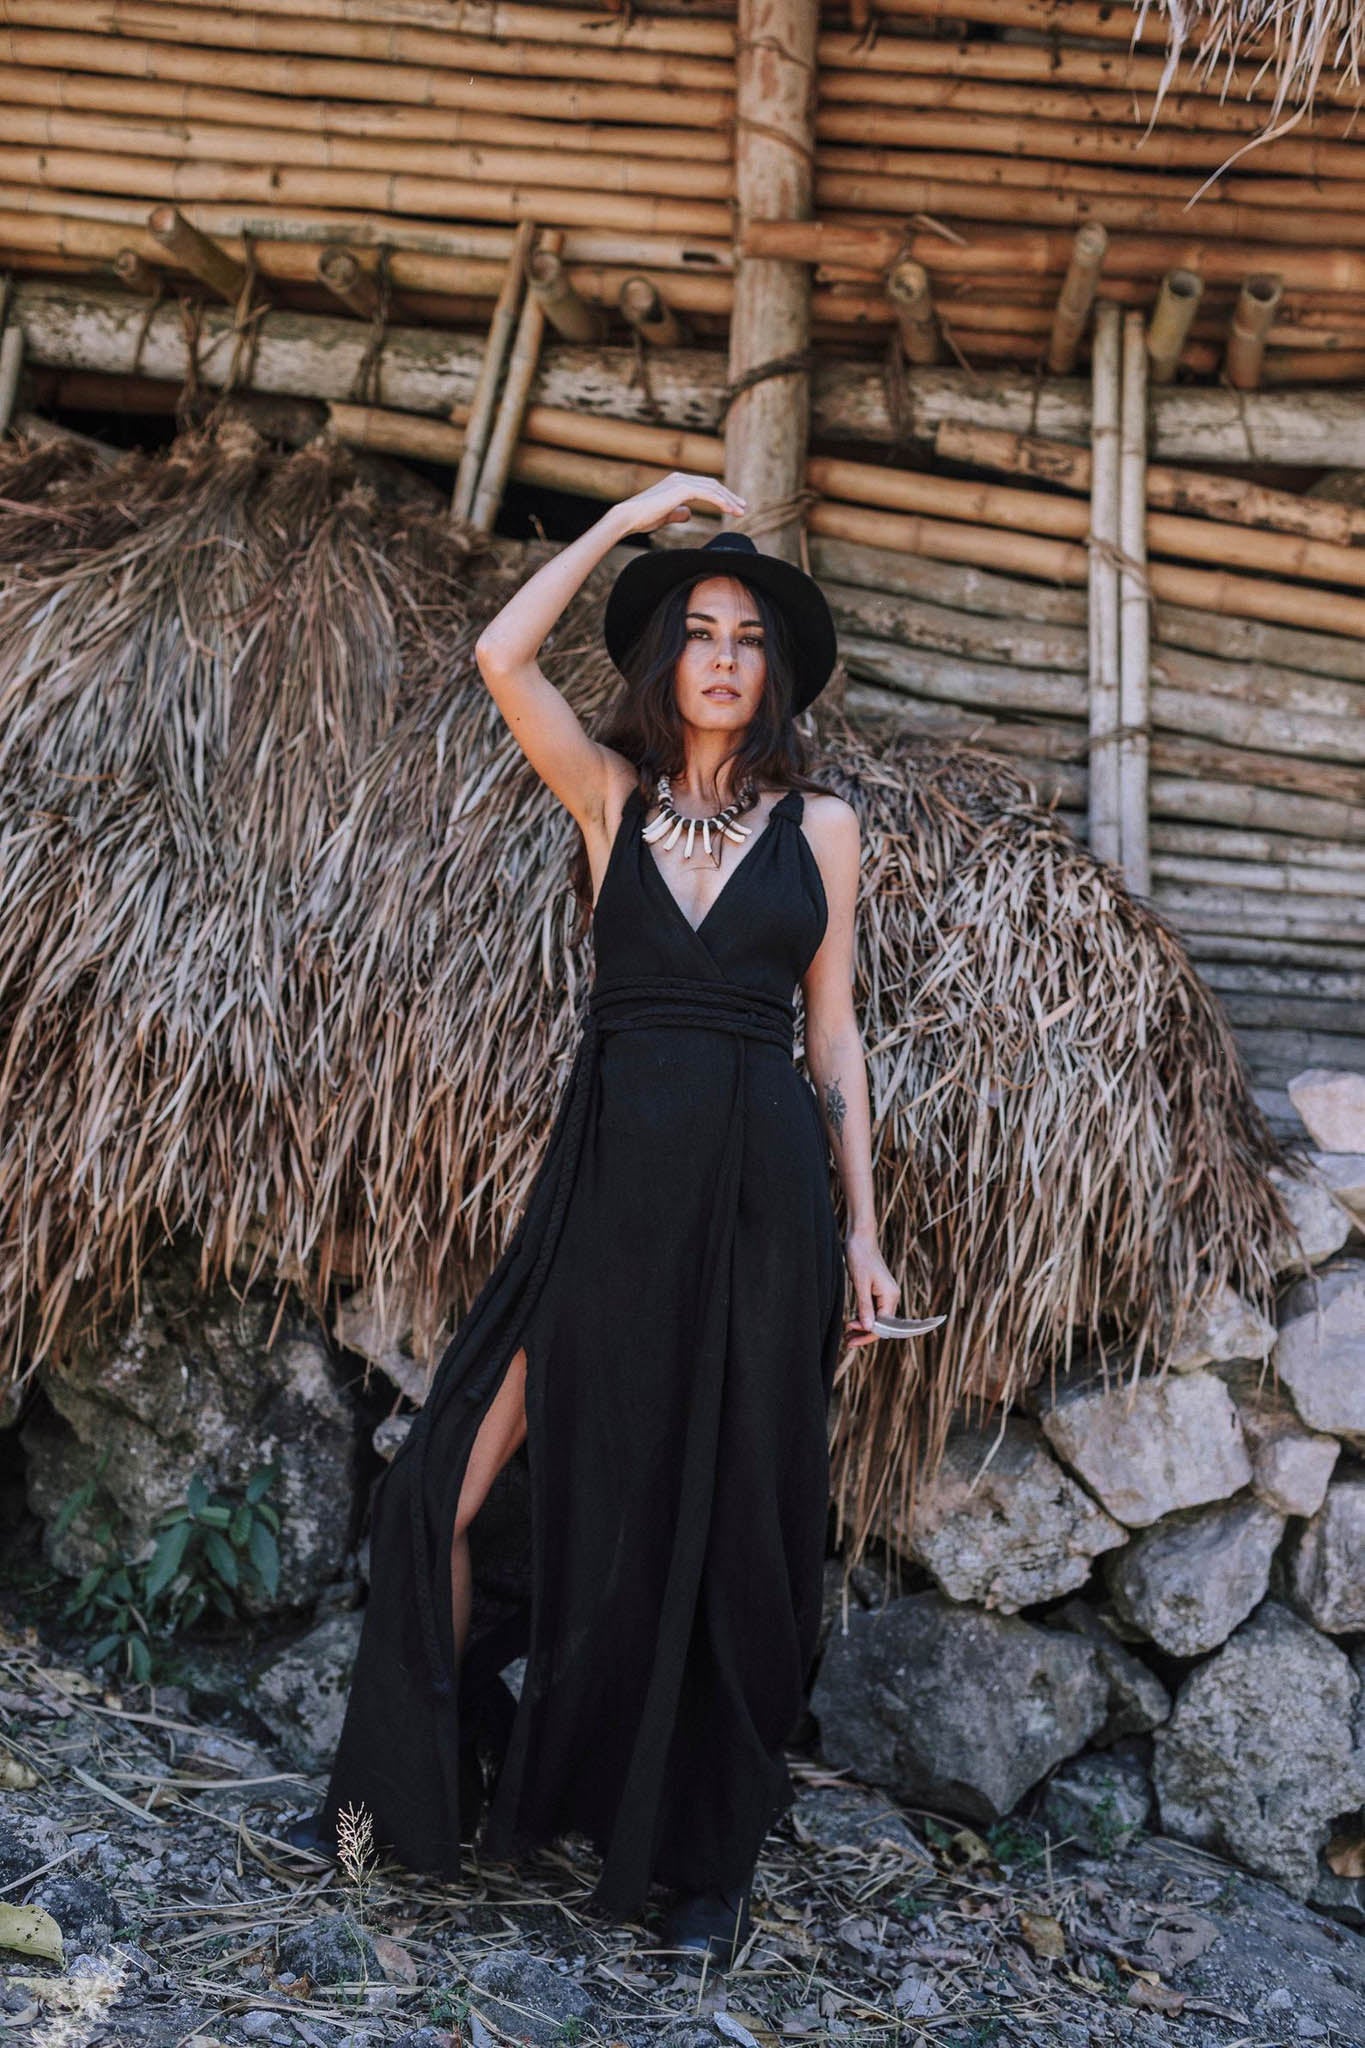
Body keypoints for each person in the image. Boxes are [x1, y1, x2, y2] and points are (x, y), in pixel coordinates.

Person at [288, 473, 901, 1968]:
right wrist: (632, 519)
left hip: (757, 1203)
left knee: (724, 1527)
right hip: (604, 1187)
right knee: (442, 1489)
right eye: (697, 631)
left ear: (775, 671)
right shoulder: (609, 800)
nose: (721, 658)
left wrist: (864, 1235)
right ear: (664, 658)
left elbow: (833, 1039)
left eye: (747, 638)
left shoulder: (822, 828)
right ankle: (424, 1793)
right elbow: (501, 656)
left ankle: (701, 1870)